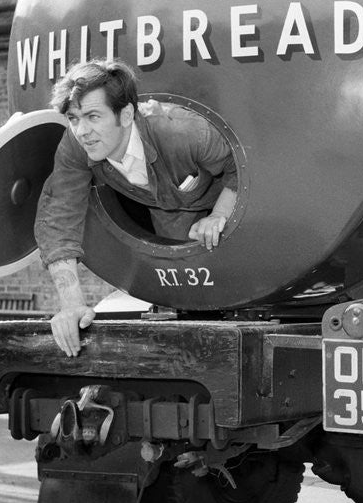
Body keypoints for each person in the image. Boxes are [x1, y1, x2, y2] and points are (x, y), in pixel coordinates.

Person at [34, 58, 237, 357]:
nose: (82, 131)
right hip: (168, 212)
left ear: (127, 114)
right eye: (73, 118)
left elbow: (240, 167)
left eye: (93, 116)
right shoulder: (77, 145)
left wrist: (220, 214)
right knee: (186, 298)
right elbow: (59, 215)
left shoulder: (182, 131)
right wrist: (71, 304)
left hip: (225, 197)